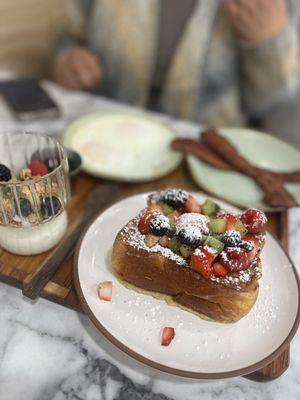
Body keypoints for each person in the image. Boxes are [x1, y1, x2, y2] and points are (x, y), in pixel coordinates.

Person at [53, 0, 300, 134]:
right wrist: (68, 61)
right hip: (107, 135)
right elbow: (68, 39)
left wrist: (269, 43)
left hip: (206, 152)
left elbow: (276, 106)